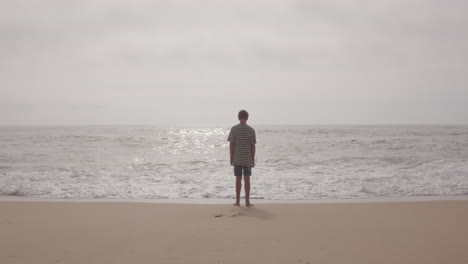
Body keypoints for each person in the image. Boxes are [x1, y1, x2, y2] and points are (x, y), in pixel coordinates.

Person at [227, 110, 256, 207]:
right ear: (247, 118)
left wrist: (231, 157)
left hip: (237, 158)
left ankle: (238, 202)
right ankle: (247, 202)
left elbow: (232, 144)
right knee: (247, 180)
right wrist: (253, 159)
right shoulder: (251, 130)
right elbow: (253, 146)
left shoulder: (234, 129)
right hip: (247, 158)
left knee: (238, 179)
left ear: (238, 117)